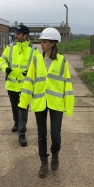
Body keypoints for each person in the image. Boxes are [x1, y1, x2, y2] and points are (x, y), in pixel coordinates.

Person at [19, 27, 74, 178]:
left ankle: (55, 153)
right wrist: (24, 102)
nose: (41, 44)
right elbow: (29, 81)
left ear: (53, 43)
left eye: (44, 41)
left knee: (56, 135)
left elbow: (67, 84)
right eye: (41, 41)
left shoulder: (62, 61)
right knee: (41, 134)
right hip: (39, 102)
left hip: (56, 103)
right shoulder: (36, 59)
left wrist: (68, 106)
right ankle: (43, 161)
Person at [0, 24, 39, 147]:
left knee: (23, 109)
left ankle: (22, 133)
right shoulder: (10, 47)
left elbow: (38, 64)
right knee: (14, 107)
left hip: (25, 86)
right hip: (11, 84)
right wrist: (6, 68)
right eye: (15, 33)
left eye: (18, 34)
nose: (16, 35)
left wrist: (31, 71)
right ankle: (16, 123)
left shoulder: (33, 49)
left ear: (25, 35)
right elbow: (1, 60)